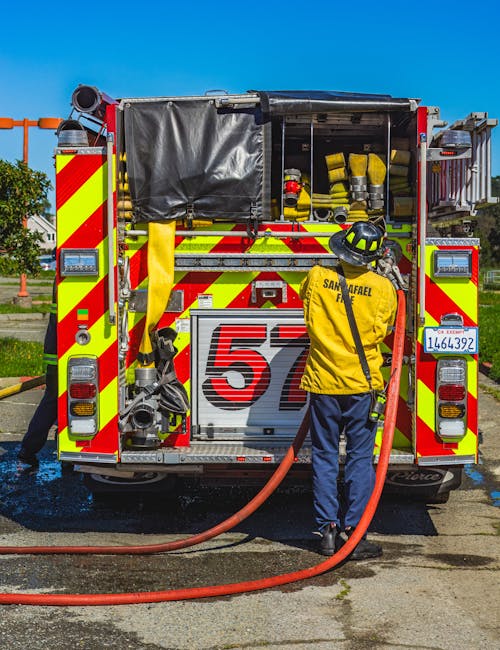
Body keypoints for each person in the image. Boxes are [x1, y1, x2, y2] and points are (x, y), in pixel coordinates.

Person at [299, 221, 397, 559]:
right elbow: (385, 330)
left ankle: (326, 532)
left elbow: (305, 306)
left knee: (324, 456)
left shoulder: (316, 277)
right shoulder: (384, 288)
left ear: (341, 248)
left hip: (323, 383)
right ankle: (354, 535)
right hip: (362, 386)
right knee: (359, 458)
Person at [17, 281, 57, 467]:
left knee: (54, 402)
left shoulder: (60, 278)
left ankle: (28, 450)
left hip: (58, 351)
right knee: (54, 402)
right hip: (60, 351)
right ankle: (28, 449)